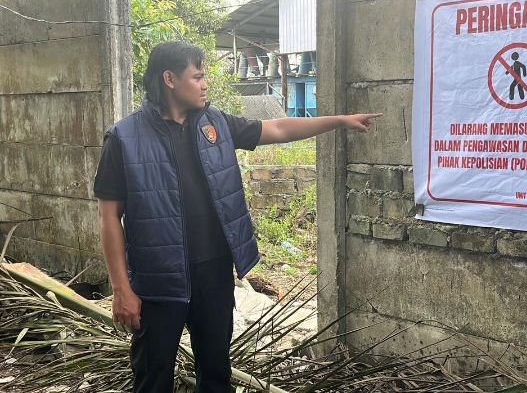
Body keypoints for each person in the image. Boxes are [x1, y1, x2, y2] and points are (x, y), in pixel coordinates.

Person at [93, 40, 381, 393]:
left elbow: (278, 129)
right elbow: (109, 217)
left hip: (214, 273)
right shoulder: (124, 138)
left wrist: (340, 121)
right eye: (197, 77)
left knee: (216, 374)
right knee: (153, 378)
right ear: (169, 79)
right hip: (157, 281)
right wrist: (121, 290)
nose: (205, 84)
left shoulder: (215, 124)